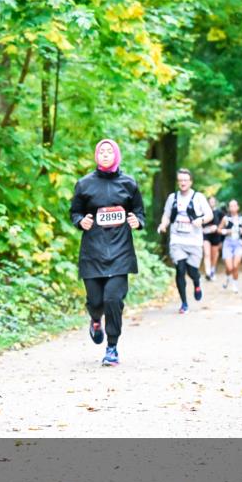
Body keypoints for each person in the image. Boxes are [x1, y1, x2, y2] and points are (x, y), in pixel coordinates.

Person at [70, 138, 145, 366]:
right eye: (101, 151)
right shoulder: (84, 184)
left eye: (108, 151)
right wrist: (80, 221)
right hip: (93, 250)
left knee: (113, 298)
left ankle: (112, 347)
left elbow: (140, 213)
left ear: (116, 155)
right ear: (96, 155)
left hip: (121, 251)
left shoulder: (129, 183)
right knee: (96, 300)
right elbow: (75, 212)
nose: (104, 154)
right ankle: (95, 319)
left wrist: (137, 221)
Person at [157, 168, 213, 313]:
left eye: (185, 180)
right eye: (180, 180)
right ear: (178, 182)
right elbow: (167, 215)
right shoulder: (172, 198)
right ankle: (184, 303)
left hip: (194, 241)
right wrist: (163, 225)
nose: (183, 183)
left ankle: (197, 282)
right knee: (180, 269)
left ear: (190, 182)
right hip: (177, 240)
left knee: (192, 271)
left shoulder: (198, 197)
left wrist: (201, 220)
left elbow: (209, 215)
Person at [219, 199, 242, 293]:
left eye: (234, 205)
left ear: (238, 207)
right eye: (231, 206)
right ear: (229, 208)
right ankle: (227, 278)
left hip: (238, 243)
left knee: (235, 266)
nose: (233, 207)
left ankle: (235, 285)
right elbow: (219, 230)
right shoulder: (225, 218)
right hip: (228, 243)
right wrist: (227, 231)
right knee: (229, 267)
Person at [202, 196, 224, 281]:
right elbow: (200, 221)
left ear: (215, 202)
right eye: (210, 201)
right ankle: (207, 272)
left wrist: (218, 228)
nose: (211, 203)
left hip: (216, 236)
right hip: (206, 235)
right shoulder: (203, 212)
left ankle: (212, 270)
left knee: (214, 255)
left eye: (213, 201)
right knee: (207, 254)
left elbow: (225, 220)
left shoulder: (219, 212)